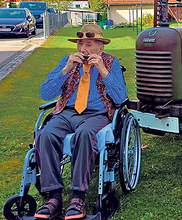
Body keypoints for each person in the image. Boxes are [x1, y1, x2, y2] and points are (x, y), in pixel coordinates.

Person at [34, 24, 127, 220]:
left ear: (100, 47)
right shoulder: (67, 62)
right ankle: (54, 197)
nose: (83, 49)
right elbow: (45, 93)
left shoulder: (110, 62)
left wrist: (103, 72)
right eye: (80, 44)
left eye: (89, 45)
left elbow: (120, 99)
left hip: (96, 114)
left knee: (85, 134)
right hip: (67, 112)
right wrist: (66, 70)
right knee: (45, 135)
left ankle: (78, 197)